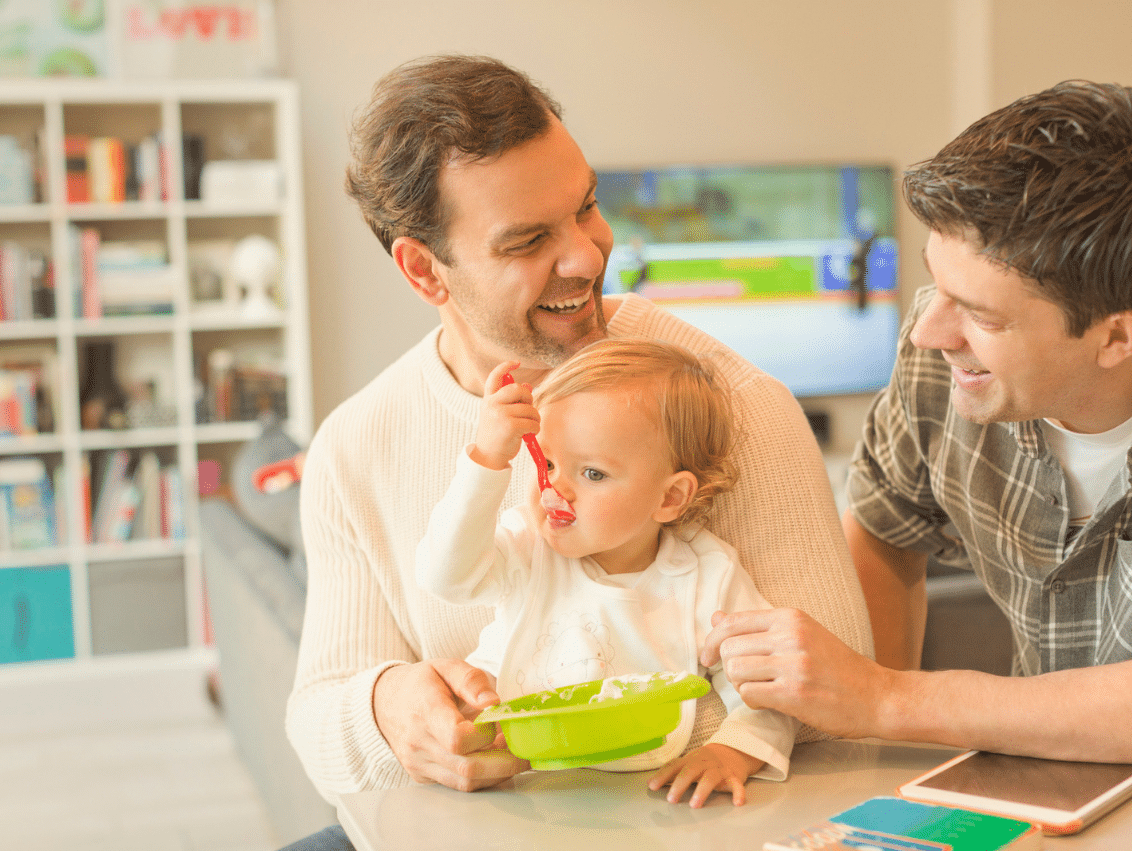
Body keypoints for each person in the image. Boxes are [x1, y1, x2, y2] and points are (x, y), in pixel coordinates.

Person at [280, 54, 873, 848]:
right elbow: (320, 719)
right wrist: (387, 707)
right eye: (528, 240)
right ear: (424, 270)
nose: (589, 256)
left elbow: (837, 709)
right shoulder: (355, 447)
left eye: (586, 207)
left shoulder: (731, 403)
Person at [702, 79, 1132, 769]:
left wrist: (887, 700)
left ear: (1117, 338)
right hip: (1043, 787)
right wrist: (860, 752)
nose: (926, 331)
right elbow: (888, 529)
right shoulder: (943, 364)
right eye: (935, 284)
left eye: (981, 315)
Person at [416, 339, 799, 808]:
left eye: (592, 474)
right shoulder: (526, 544)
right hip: (511, 791)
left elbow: (771, 684)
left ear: (670, 498)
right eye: (549, 462)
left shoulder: (706, 576)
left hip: (644, 807)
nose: (555, 488)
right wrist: (488, 460)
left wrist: (733, 751)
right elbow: (445, 577)